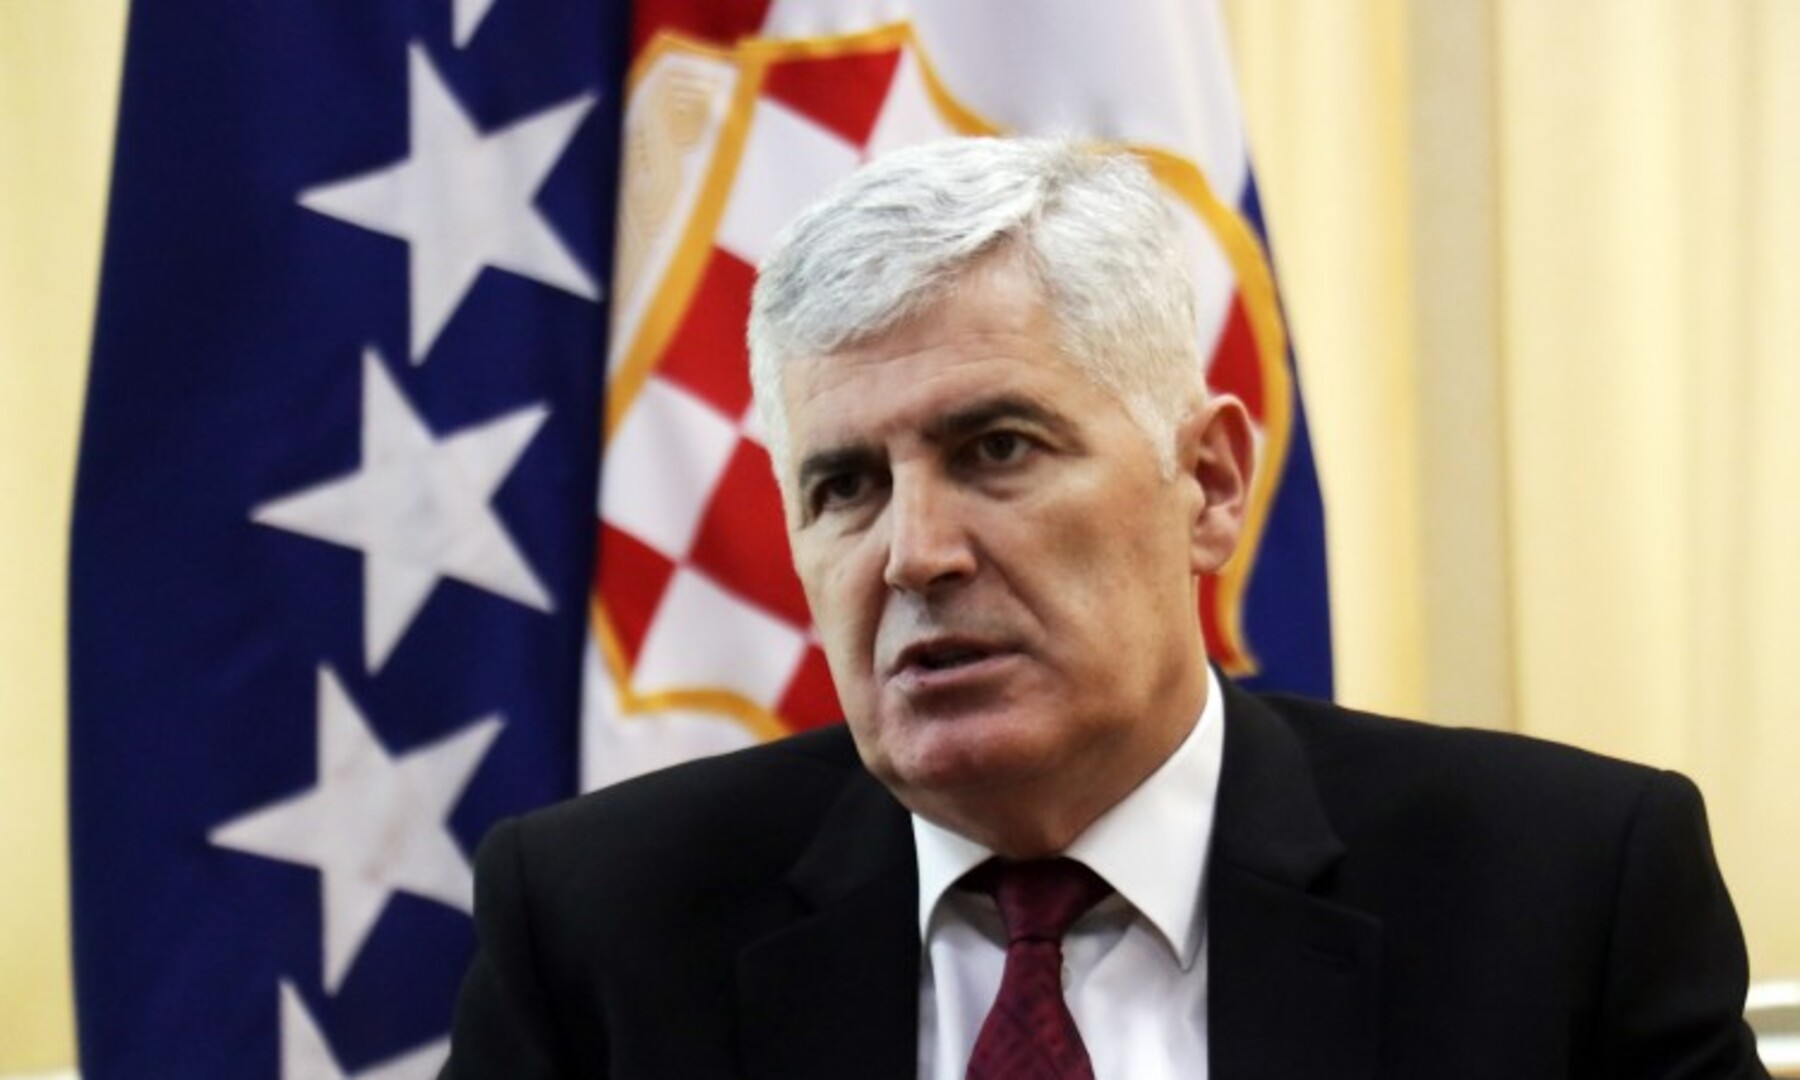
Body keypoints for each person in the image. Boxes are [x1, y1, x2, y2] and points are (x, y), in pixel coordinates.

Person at [441, 137, 1768, 1078]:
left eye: (997, 449)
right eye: (846, 486)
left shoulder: (1562, 897)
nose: (915, 555)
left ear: (1209, 484)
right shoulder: (600, 928)